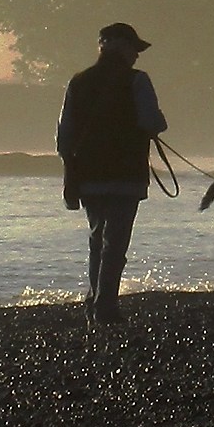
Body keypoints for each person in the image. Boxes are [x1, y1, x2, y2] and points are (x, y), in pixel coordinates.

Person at [56, 21, 168, 325]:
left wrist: (70, 175)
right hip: (125, 175)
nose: (137, 56)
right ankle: (105, 306)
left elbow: (64, 135)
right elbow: (151, 122)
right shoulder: (137, 81)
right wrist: (158, 123)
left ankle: (96, 300)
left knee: (98, 239)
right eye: (134, 49)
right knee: (115, 243)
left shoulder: (78, 82)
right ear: (121, 47)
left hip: (89, 175)